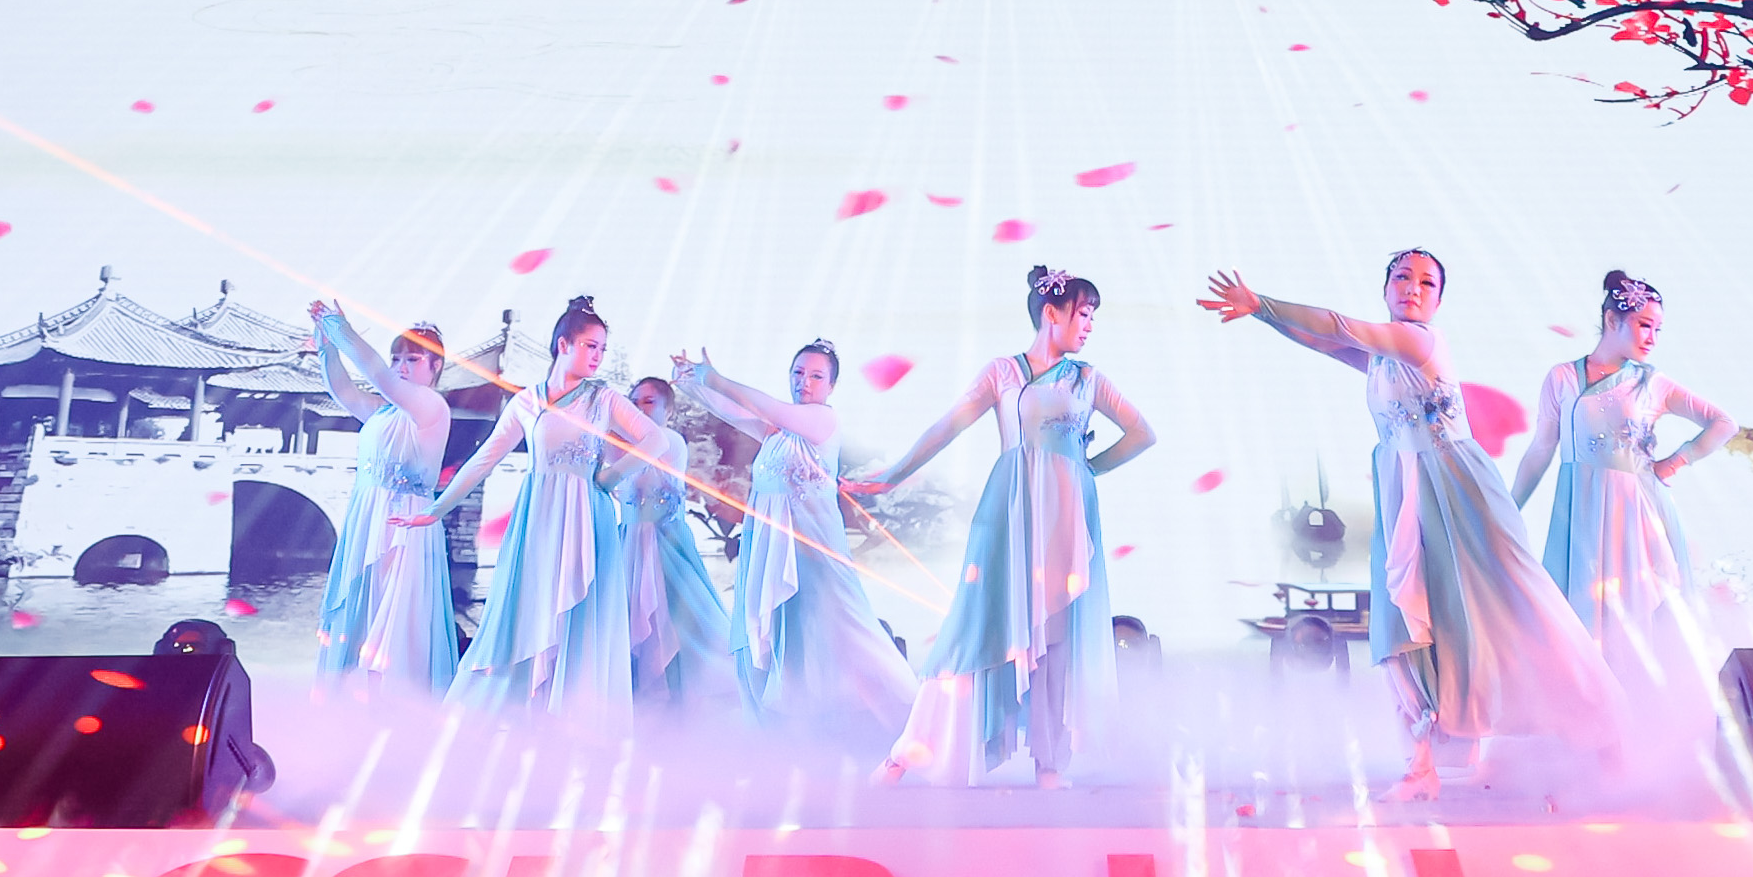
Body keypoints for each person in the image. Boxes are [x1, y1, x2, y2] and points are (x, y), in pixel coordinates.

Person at [1203, 247, 1620, 798]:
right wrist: (1260, 314)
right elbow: (1322, 340)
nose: (1413, 289)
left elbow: (1336, 325)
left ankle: (1604, 728)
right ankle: (1420, 765)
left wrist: (1262, 301)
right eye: (1402, 277)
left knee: (1517, 609)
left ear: (1439, 300)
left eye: (1427, 283)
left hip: (1456, 488)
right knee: (1400, 622)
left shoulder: (1420, 341)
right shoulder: (1382, 357)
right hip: (1405, 490)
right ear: (1385, 287)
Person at [852, 266, 1151, 788]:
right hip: (1008, 512)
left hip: (1067, 521)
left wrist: (1087, 468)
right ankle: (904, 755)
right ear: (1051, 312)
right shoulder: (1003, 373)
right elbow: (946, 427)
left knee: (1057, 640)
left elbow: (1142, 433)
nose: (1088, 326)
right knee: (972, 630)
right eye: (1083, 314)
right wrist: (892, 475)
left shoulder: (1087, 378)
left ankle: (1050, 765)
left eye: (1092, 317)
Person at [431, 298, 667, 725]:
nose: (597, 356)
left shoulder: (603, 399)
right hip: (538, 518)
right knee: (530, 608)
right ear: (564, 345)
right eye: (590, 346)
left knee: (582, 617)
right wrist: (436, 509)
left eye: (602, 349)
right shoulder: (526, 402)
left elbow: (656, 440)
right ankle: (522, 711)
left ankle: (575, 718)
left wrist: (610, 477)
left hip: (587, 518)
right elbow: (484, 460)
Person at [1505, 268, 1737, 688]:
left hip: (1636, 514)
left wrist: (1675, 462)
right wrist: (1509, 508)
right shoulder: (1562, 377)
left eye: (1658, 329)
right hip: (1580, 512)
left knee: (1633, 621)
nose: (1653, 338)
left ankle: (1637, 711)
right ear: (1612, 320)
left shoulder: (1652, 383)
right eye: (1644, 325)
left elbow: (1724, 423)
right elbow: (1541, 449)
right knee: (1579, 621)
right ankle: (1589, 713)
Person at [678, 337, 916, 745]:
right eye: (798, 373)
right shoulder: (778, 432)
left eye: (816, 376)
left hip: (813, 554)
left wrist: (716, 379)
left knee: (843, 635)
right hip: (770, 549)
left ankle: (906, 720)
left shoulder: (823, 420)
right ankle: (789, 737)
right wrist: (693, 382)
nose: (804, 382)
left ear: (832, 386)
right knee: (782, 640)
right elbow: (737, 411)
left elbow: (765, 407)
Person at [307, 299, 459, 696]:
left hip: (402, 522)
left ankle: (393, 703)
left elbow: (376, 374)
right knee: (362, 613)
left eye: (412, 359)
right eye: (396, 358)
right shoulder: (383, 412)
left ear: (435, 366)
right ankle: (353, 702)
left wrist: (340, 327)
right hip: (368, 517)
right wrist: (327, 345)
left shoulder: (432, 406)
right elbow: (344, 391)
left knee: (393, 617)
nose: (400, 367)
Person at [617, 374, 741, 704]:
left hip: (663, 541)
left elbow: (638, 481)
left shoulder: (668, 440)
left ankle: (677, 695)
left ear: (668, 410)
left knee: (675, 620)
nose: (639, 408)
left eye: (648, 401)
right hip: (629, 539)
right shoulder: (631, 444)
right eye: (633, 402)